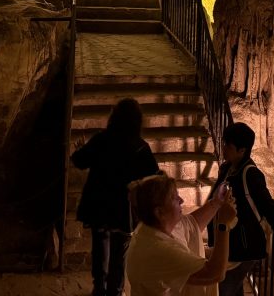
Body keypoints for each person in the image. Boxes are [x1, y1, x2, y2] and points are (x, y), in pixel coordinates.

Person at [71, 98, 160, 296]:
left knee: (100, 246)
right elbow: (153, 175)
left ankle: (99, 287)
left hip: (99, 202)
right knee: (120, 252)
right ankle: (116, 290)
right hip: (123, 206)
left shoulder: (101, 139)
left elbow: (79, 161)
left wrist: (80, 149)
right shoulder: (140, 147)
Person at [207, 123, 274, 296]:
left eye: (228, 145)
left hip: (244, 247)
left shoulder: (250, 175)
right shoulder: (227, 169)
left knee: (224, 289)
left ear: (242, 150)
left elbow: (269, 207)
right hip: (230, 243)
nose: (223, 148)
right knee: (233, 289)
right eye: (224, 143)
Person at [126, 174, 238, 296]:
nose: (181, 200)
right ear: (159, 212)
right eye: (174, 198)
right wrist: (223, 225)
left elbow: (192, 225)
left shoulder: (151, 226)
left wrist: (216, 202)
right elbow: (214, 273)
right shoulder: (156, 249)